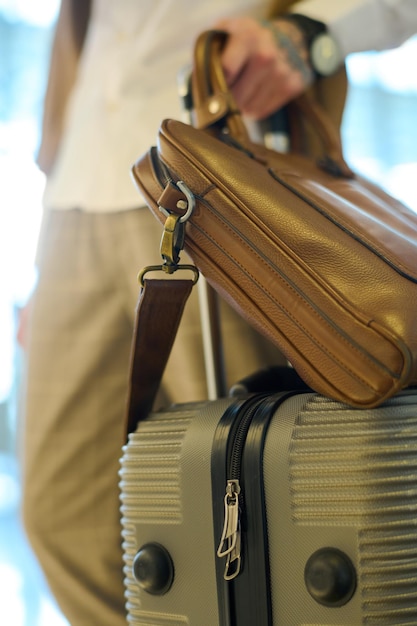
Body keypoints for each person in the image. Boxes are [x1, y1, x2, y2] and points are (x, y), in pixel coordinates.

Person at [20, 1, 416, 624]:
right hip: (78, 190)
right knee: (64, 517)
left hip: (221, 191)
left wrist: (313, 32)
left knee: (249, 513)